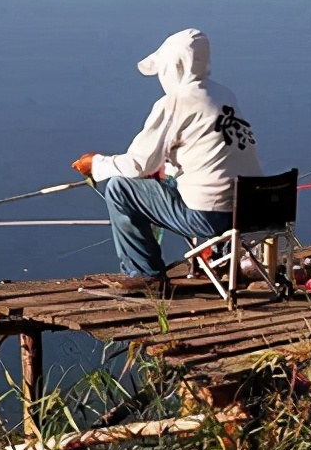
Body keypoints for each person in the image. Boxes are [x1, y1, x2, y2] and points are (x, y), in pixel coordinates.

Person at [71, 28, 262, 293]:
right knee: (169, 183)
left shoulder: (176, 102)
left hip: (209, 217)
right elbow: (207, 152)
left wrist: (96, 165)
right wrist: (165, 168)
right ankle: (219, 255)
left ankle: (144, 275)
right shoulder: (224, 96)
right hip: (252, 213)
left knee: (119, 188)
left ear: (173, 67)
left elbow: (138, 165)